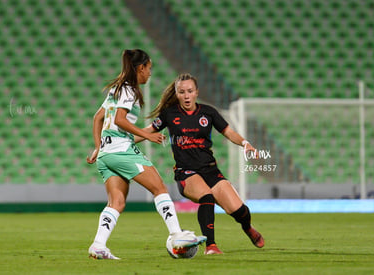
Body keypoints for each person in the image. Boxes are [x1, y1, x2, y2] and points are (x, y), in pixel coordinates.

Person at [86, 50, 206, 260]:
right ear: (140, 68)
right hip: (122, 151)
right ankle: (176, 235)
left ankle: (98, 245)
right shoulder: (129, 90)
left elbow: (98, 118)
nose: (150, 73)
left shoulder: (116, 88)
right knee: (159, 187)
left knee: (117, 202)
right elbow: (121, 120)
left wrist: (99, 148)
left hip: (107, 154)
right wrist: (146, 136)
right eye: (149, 68)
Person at [147, 73, 265, 255]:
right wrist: (123, 140)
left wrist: (244, 143)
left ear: (196, 92)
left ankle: (248, 228)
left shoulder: (208, 113)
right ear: (177, 94)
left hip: (210, 170)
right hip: (186, 172)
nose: (186, 96)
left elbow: (228, 132)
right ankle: (211, 246)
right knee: (206, 197)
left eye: (190, 91)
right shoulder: (169, 114)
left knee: (240, 211)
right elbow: (147, 131)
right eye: (182, 92)